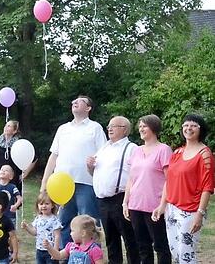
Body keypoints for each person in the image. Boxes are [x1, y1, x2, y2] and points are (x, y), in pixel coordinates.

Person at [40, 95, 107, 247]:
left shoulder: (95, 128)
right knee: (64, 223)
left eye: (80, 101)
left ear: (88, 108)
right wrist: (44, 182)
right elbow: (54, 156)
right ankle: (66, 257)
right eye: (73, 101)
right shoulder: (63, 129)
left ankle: (91, 256)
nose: (74, 102)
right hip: (61, 186)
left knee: (88, 222)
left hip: (86, 183)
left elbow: (103, 155)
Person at [152, 114, 213, 263]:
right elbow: (169, 181)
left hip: (191, 210)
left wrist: (200, 213)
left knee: (187, 253)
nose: (188, 128)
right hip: (172, 209)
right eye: (186, 125)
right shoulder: (177, 153)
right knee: (176, 251)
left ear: (201, 129)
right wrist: (162, 205)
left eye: (193, 125)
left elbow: (207, 186)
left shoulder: (205, 154)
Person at [85, 116, 139, 264]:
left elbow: (137, 173)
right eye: (109, 125)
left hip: (120, 198)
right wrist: (90, 166)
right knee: (110, 239)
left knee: (129, 239)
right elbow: (95, 172)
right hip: (102, 200)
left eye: (114, 126)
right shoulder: (104, 147)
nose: (110, 128)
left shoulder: (131, 148)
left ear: (124, 129)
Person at [123, 114, 172, 264]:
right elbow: (131, 179)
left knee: (161, 245)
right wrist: (125, 202)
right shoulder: (136, 150)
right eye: (140, 126)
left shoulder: (163, 150)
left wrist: (163, 205)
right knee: (142, 245)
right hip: (135, 205)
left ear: (154, 128)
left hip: (155, 206)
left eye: (144, 126)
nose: (141, 129)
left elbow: (169, 180)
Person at [21, 192, 61, 264]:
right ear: (38, 206)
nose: (44, 206)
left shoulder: (54, 220)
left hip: (50, 251)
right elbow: (35, 232)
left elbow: (57, 236)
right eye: (41, 204)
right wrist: (26, 227)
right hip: (39, 250)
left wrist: (55, 251)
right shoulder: (38, 218)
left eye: (47, 204)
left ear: (52, 205)